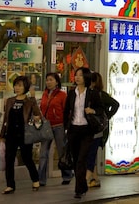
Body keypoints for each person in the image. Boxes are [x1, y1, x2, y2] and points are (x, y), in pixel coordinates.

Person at [63, 67, 105, 199]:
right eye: (76, 75)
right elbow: (66, 111)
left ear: (85, 78)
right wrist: (66, 127)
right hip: (74, 130)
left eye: (80, 75)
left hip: (87, 131)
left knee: (81, 160)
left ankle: (78, 189)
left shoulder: (92, 93)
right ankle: (82, 186)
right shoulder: (71, 93)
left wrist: (92, 111)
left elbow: (100, 109)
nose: (77, 77)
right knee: (76, 160)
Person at [0, 75, 42, 194]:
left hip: (25, 134)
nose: (17, 88)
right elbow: (5, 119)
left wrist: (33, 99)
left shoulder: (29, 101)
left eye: (20, 85)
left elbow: (38, 116)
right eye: (16, 85)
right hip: (11, 134)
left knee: (27, 158)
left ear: (26, 87)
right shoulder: (10, 101)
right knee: (9, 159)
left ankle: (35, 179)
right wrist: (2, 135)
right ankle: (10, 185)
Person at [85, 72, 119, 189]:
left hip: (97, 129)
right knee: (91, 154)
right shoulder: (88, 93)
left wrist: (106, 116)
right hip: (90, 128)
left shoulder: (100, 95)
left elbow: (116, 104)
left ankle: (86, 179)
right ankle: (95, 178)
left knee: (91, 153)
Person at [38, 72, 73, 186]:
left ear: (57, 82)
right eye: (47, 80)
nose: (48, 82)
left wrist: (67, 125)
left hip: (59, 125)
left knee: (62, 151)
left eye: (51, 80)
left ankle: (67, 175)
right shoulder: (44, 94)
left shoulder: (62, 95)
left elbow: (66, 110)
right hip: (46, 126)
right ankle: (41, 179)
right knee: (43, 153)